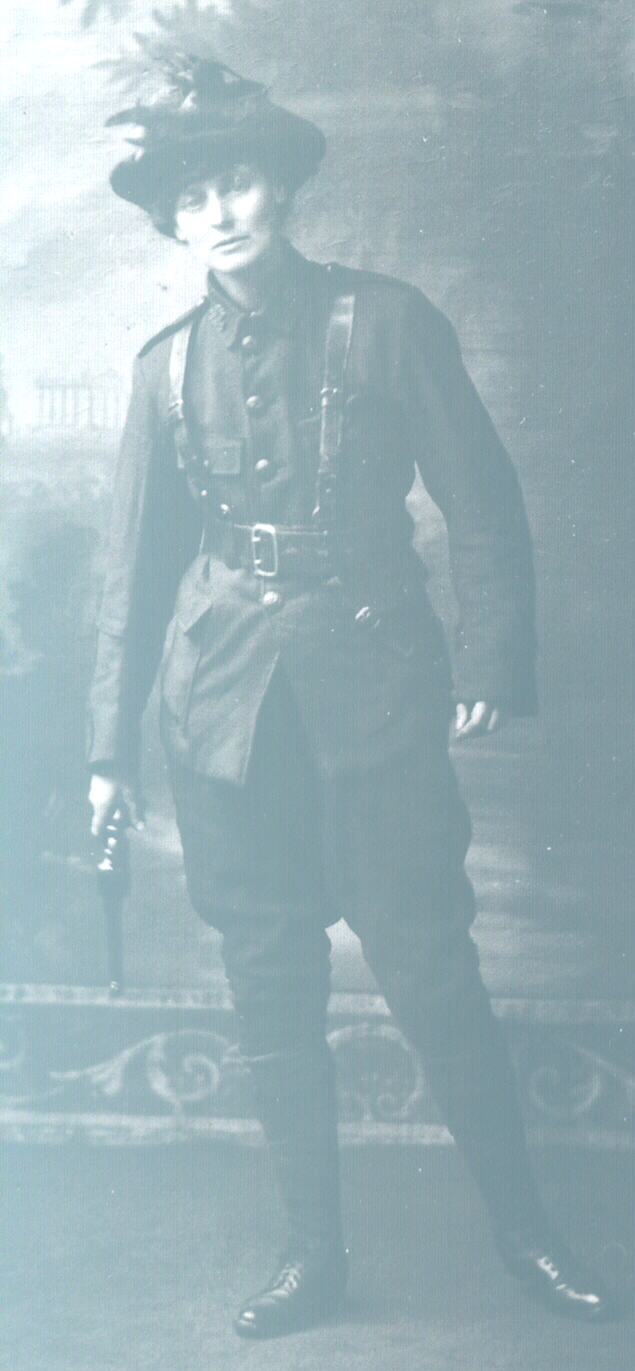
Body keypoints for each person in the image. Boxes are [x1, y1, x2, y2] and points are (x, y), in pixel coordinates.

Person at [88, 58, 615, 1338]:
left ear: (279, 188)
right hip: (221, 716)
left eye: (237, 183)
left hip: (372, 694)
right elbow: (130, 576)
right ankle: (311, 1258)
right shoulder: (163, 371)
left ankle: (525, 1234)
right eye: (192, 197)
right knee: (267, 981)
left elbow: (479, 498)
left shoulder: (382, 322)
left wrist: (490, 664)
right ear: (171, 223)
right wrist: (106, 753)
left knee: (428, 968)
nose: (219, 212)